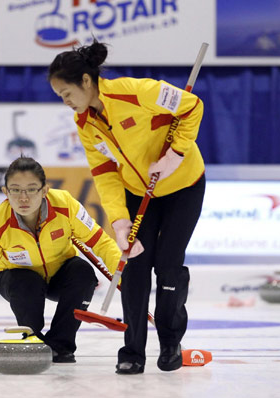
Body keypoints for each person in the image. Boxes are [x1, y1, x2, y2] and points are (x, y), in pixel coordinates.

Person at [48, 40, 206, 374]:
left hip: (183, 186)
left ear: (86, 83)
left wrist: (174, 155)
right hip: (138, 192)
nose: (64, 102)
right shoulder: (85, 124)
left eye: (66, 93)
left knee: (168, 265)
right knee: (134, 267)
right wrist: (119, 222)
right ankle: (133, 349)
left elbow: (192, 106)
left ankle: (170, 343)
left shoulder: (134, 92)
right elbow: (105, 173)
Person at [0, 157, 143, 364]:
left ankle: (61, 346)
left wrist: (127, 282)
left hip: (59, 275)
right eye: (15, 190)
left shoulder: (65, 205)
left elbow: (102, 244)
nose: (23, 198)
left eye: (31, 189)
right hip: (17, 281)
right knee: (26, 282)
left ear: (45, 190)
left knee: (83, 273)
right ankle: (33, 340)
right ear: (5, 192)